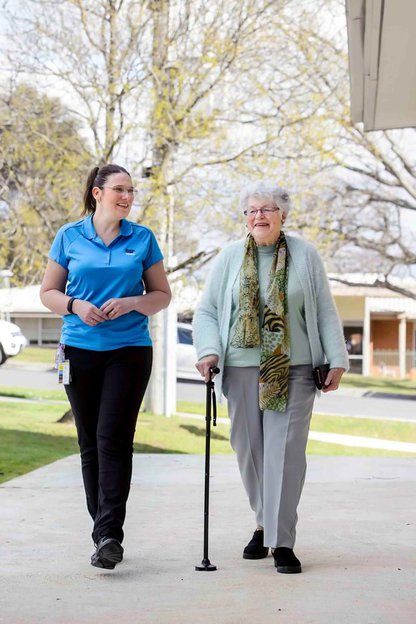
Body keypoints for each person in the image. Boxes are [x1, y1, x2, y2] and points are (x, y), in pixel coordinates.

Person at [193, 180, 348, 574]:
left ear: (283, 215)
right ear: (245, 218)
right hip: (242, 366)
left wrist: (337, 359)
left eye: (267, 209)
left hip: (293, 367)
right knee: (252, 451)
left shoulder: (304, 255)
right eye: (252, 210)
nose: (259, 216)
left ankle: (281, 541)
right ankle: (264, 523)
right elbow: (208, 311)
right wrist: (209, 350)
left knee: (286, 453)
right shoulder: (229, 257)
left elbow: (325, 310)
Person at [40, 164, 171, 569]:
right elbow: (48, 292)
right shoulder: (69, 236)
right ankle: (103, 533)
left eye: (131, 190)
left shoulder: (143, 238)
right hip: (78, 349)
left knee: (112, 437)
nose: (128, 197)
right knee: (89, 442)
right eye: (119, 189)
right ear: (97, 193)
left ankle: (111, 533)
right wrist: (75, 305)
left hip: (129, 349)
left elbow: (162, 295)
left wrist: (133, 302)